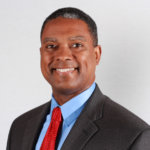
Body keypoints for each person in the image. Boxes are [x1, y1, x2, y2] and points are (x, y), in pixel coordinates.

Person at [7, 7, 150, 150]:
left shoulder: (133, 135)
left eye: (76, 45)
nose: (62, 55)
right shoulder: (20, 127)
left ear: (96, 55)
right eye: (51, 46)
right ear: (41, 53)